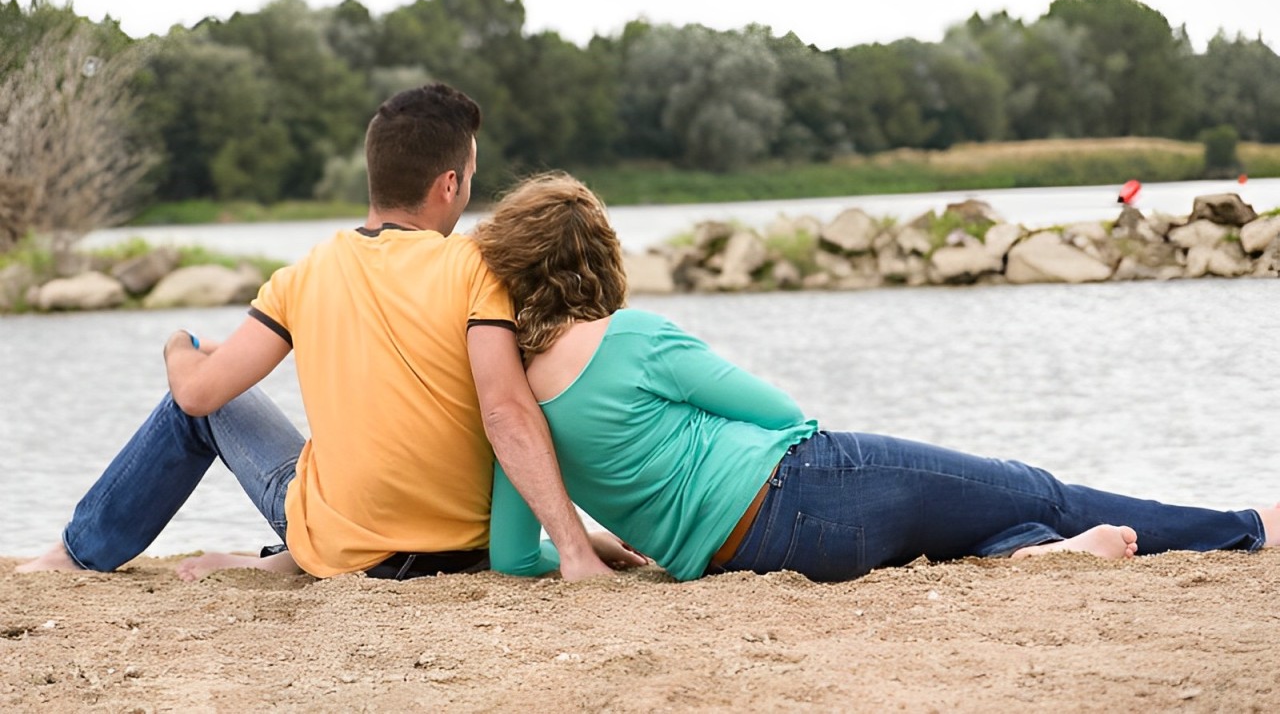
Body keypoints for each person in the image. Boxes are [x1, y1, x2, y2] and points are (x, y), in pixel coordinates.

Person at [472, 172, 1279, 583]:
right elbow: (781, 412)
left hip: (733, 560)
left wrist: (604, 542)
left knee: (966, 518)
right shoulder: (635, 338)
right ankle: (1249, 527)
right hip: (806, 488)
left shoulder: (514, 405)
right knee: (1027, 484)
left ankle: (1044, 559)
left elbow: (513, 556)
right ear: (598, 258)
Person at [16, 86, 624, 582]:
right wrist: (573, 545)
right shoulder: (475, 267)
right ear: (449, 184)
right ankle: (281, 560)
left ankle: (75, 553)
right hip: (464, 548)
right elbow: (507, 409)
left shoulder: (305, 274)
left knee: (203, 392)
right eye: (469, 177)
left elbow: (199, 397)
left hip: (349, 554)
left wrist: (179, 346)